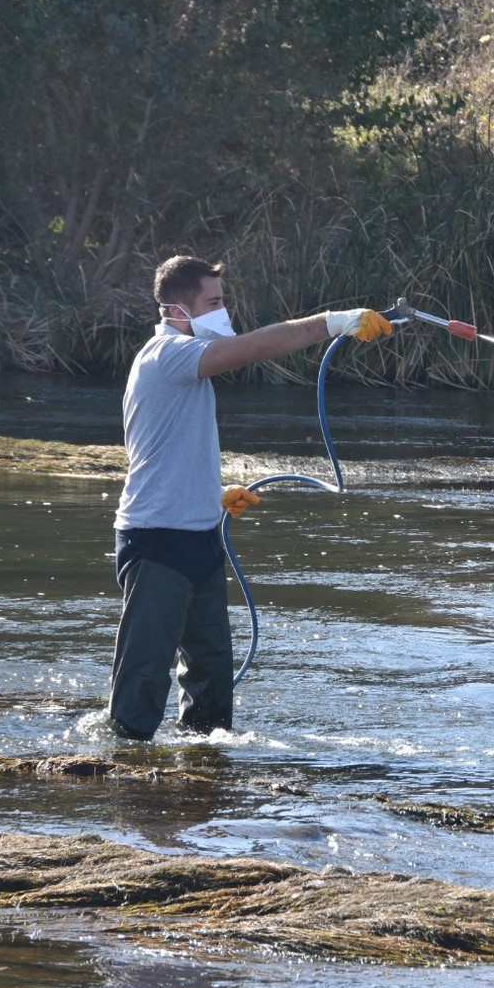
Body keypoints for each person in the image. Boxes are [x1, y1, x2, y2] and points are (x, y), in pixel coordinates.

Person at [108, 255, 393, 740]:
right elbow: (255, 347)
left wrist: (213, 494)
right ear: (178, 310)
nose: (223, 311)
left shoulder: (182, 362)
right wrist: (334, 322)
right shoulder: (166, 354)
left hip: (200, 537)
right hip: (155, 541)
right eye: (213, 303)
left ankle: (204, 779)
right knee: (144, 675)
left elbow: (165, 446)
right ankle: (124, 775)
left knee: (212, 674)